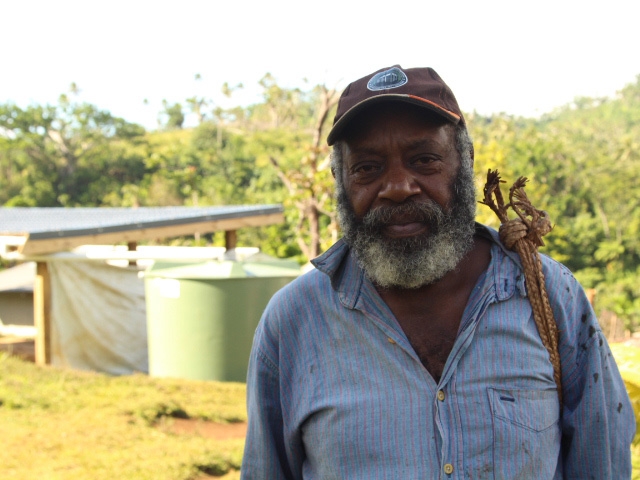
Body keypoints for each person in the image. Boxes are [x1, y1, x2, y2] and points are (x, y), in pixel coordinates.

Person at [241, 65, 635, 479]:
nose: (398, 186)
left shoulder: (549, 295)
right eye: (367, 168)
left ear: (465, 162)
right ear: (341, 180)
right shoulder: (293, 321)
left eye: (424, 160)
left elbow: (602, 462)